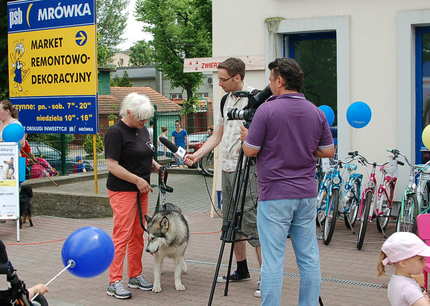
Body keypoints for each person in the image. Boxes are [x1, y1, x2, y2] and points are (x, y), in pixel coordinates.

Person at [241, 58, 334, 305]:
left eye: (271, 79)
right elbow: (328, 151)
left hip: (275, 194)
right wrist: (303, 149)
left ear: (280, 80)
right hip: (305, 193)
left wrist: (246, 137)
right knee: (309, 257)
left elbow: (250, 150)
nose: (269, 84)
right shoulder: (315, 111)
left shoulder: (267, 110)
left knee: (273, 259)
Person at [185, 57, 262, 298]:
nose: (219, 84)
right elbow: (217, 136)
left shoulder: (256, 99)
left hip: (248, 169)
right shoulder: (224, 101)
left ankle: (267, 275)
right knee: (231, 220)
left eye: (223, 79)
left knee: (252, 220)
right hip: (227, 169)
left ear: (238, 77)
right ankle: (241, 269)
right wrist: (197, 155)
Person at [104, 92, 161, 299]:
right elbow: (112, 165)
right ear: (128, 112)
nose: (144, 122)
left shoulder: (142, 129)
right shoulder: (115, 132)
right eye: (140, 118)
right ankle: (114, 280)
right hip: (123, 190)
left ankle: (135, 274)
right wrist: (136, 179)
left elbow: (144, 153)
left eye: (146, 119)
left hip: (141, 189)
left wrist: (153, 165)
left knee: (138, 233)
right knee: (122, 235)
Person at [377, 231, 430, 306]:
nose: (425, 262)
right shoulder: (409, 288)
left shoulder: (395, 280)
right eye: (420, 259)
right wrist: (426, 299)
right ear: (403, 263)